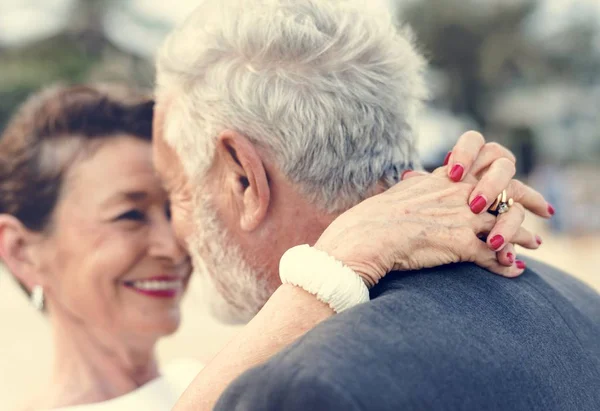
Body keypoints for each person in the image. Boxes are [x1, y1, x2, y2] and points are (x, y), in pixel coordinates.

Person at [148, 1, 598, 410]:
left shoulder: (301, 388)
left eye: (175, 191)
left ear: (244, 178)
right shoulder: (578, 301)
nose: (173, 232)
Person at [0, 85, 200, 410]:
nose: (174, 248)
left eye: (173, 211)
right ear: (21, 251)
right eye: (130, 215)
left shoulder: (202, 381)